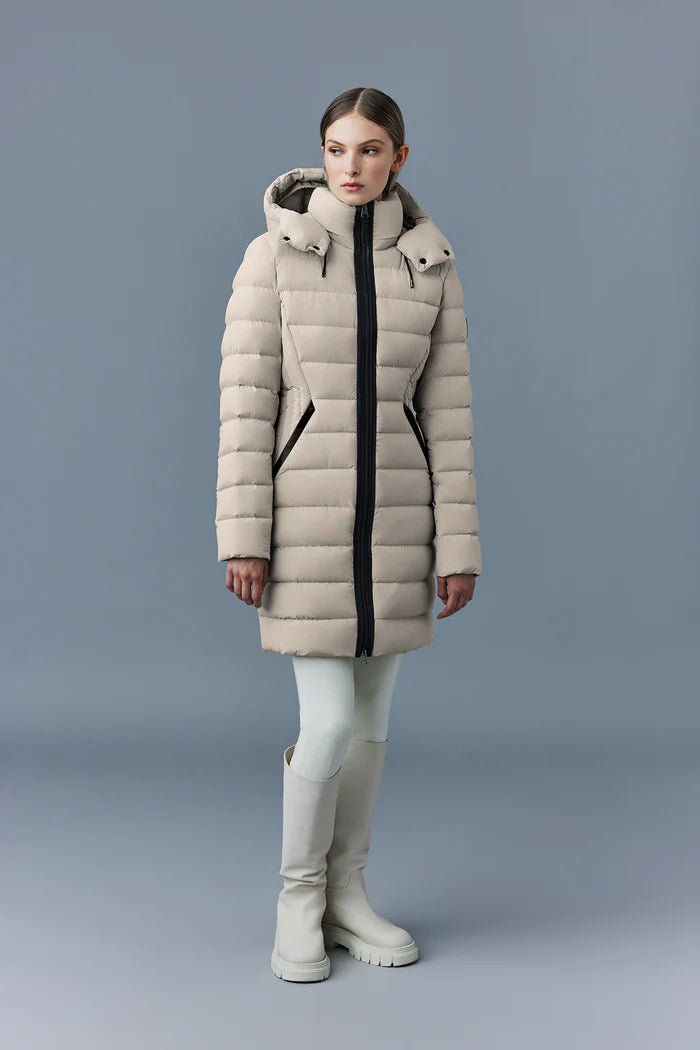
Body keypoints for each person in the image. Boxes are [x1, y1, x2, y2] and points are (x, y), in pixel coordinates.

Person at [214, 87, 482, 982]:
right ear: (320, 153)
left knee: (370, 726)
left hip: (399, 529)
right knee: (327, 724)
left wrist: (457, 546)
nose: (351, 166)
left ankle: (347, 893)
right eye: (337, 149)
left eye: (370, 149)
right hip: (304, 529)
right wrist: (245, 534)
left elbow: (449, 419)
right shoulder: (273, 257)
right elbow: (247, 407)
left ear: (400, 157)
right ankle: (299, 898)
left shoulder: (431, 265)